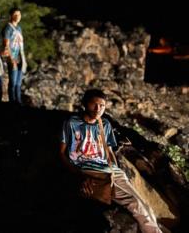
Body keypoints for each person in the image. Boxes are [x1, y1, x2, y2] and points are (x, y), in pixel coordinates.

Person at [60, 89, 163, 233]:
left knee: (145, 205)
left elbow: (108, 150)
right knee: (135, 204)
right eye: (94, 104)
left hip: (109, 169)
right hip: (89, 168)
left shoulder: (105, 124)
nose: (98, 109)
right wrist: (78, 174)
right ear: (84, 104)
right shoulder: (72, 123)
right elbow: (62, 152)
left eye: (102, 106)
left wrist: (116, 168)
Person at [3, 7, 26, 104]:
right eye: (15, 15)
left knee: (18, 83)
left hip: (20, 57)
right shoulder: (8, 28)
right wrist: (11, 59)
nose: (17, 17)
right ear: (11, 16)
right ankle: (13, 102)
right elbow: (6, 45)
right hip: (12, 57)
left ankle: (19, 101)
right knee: (12, 82)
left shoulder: (19, 28)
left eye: (19, 15)